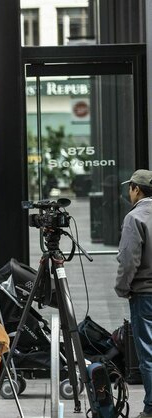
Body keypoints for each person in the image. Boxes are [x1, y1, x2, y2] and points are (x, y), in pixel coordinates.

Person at [115, 169, 152, 418]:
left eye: (130, 188)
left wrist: (122, 288)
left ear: (136, 190)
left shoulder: (135, 217)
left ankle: (151, 408)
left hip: (145, 294)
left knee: (148, 352)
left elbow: (129, 261)